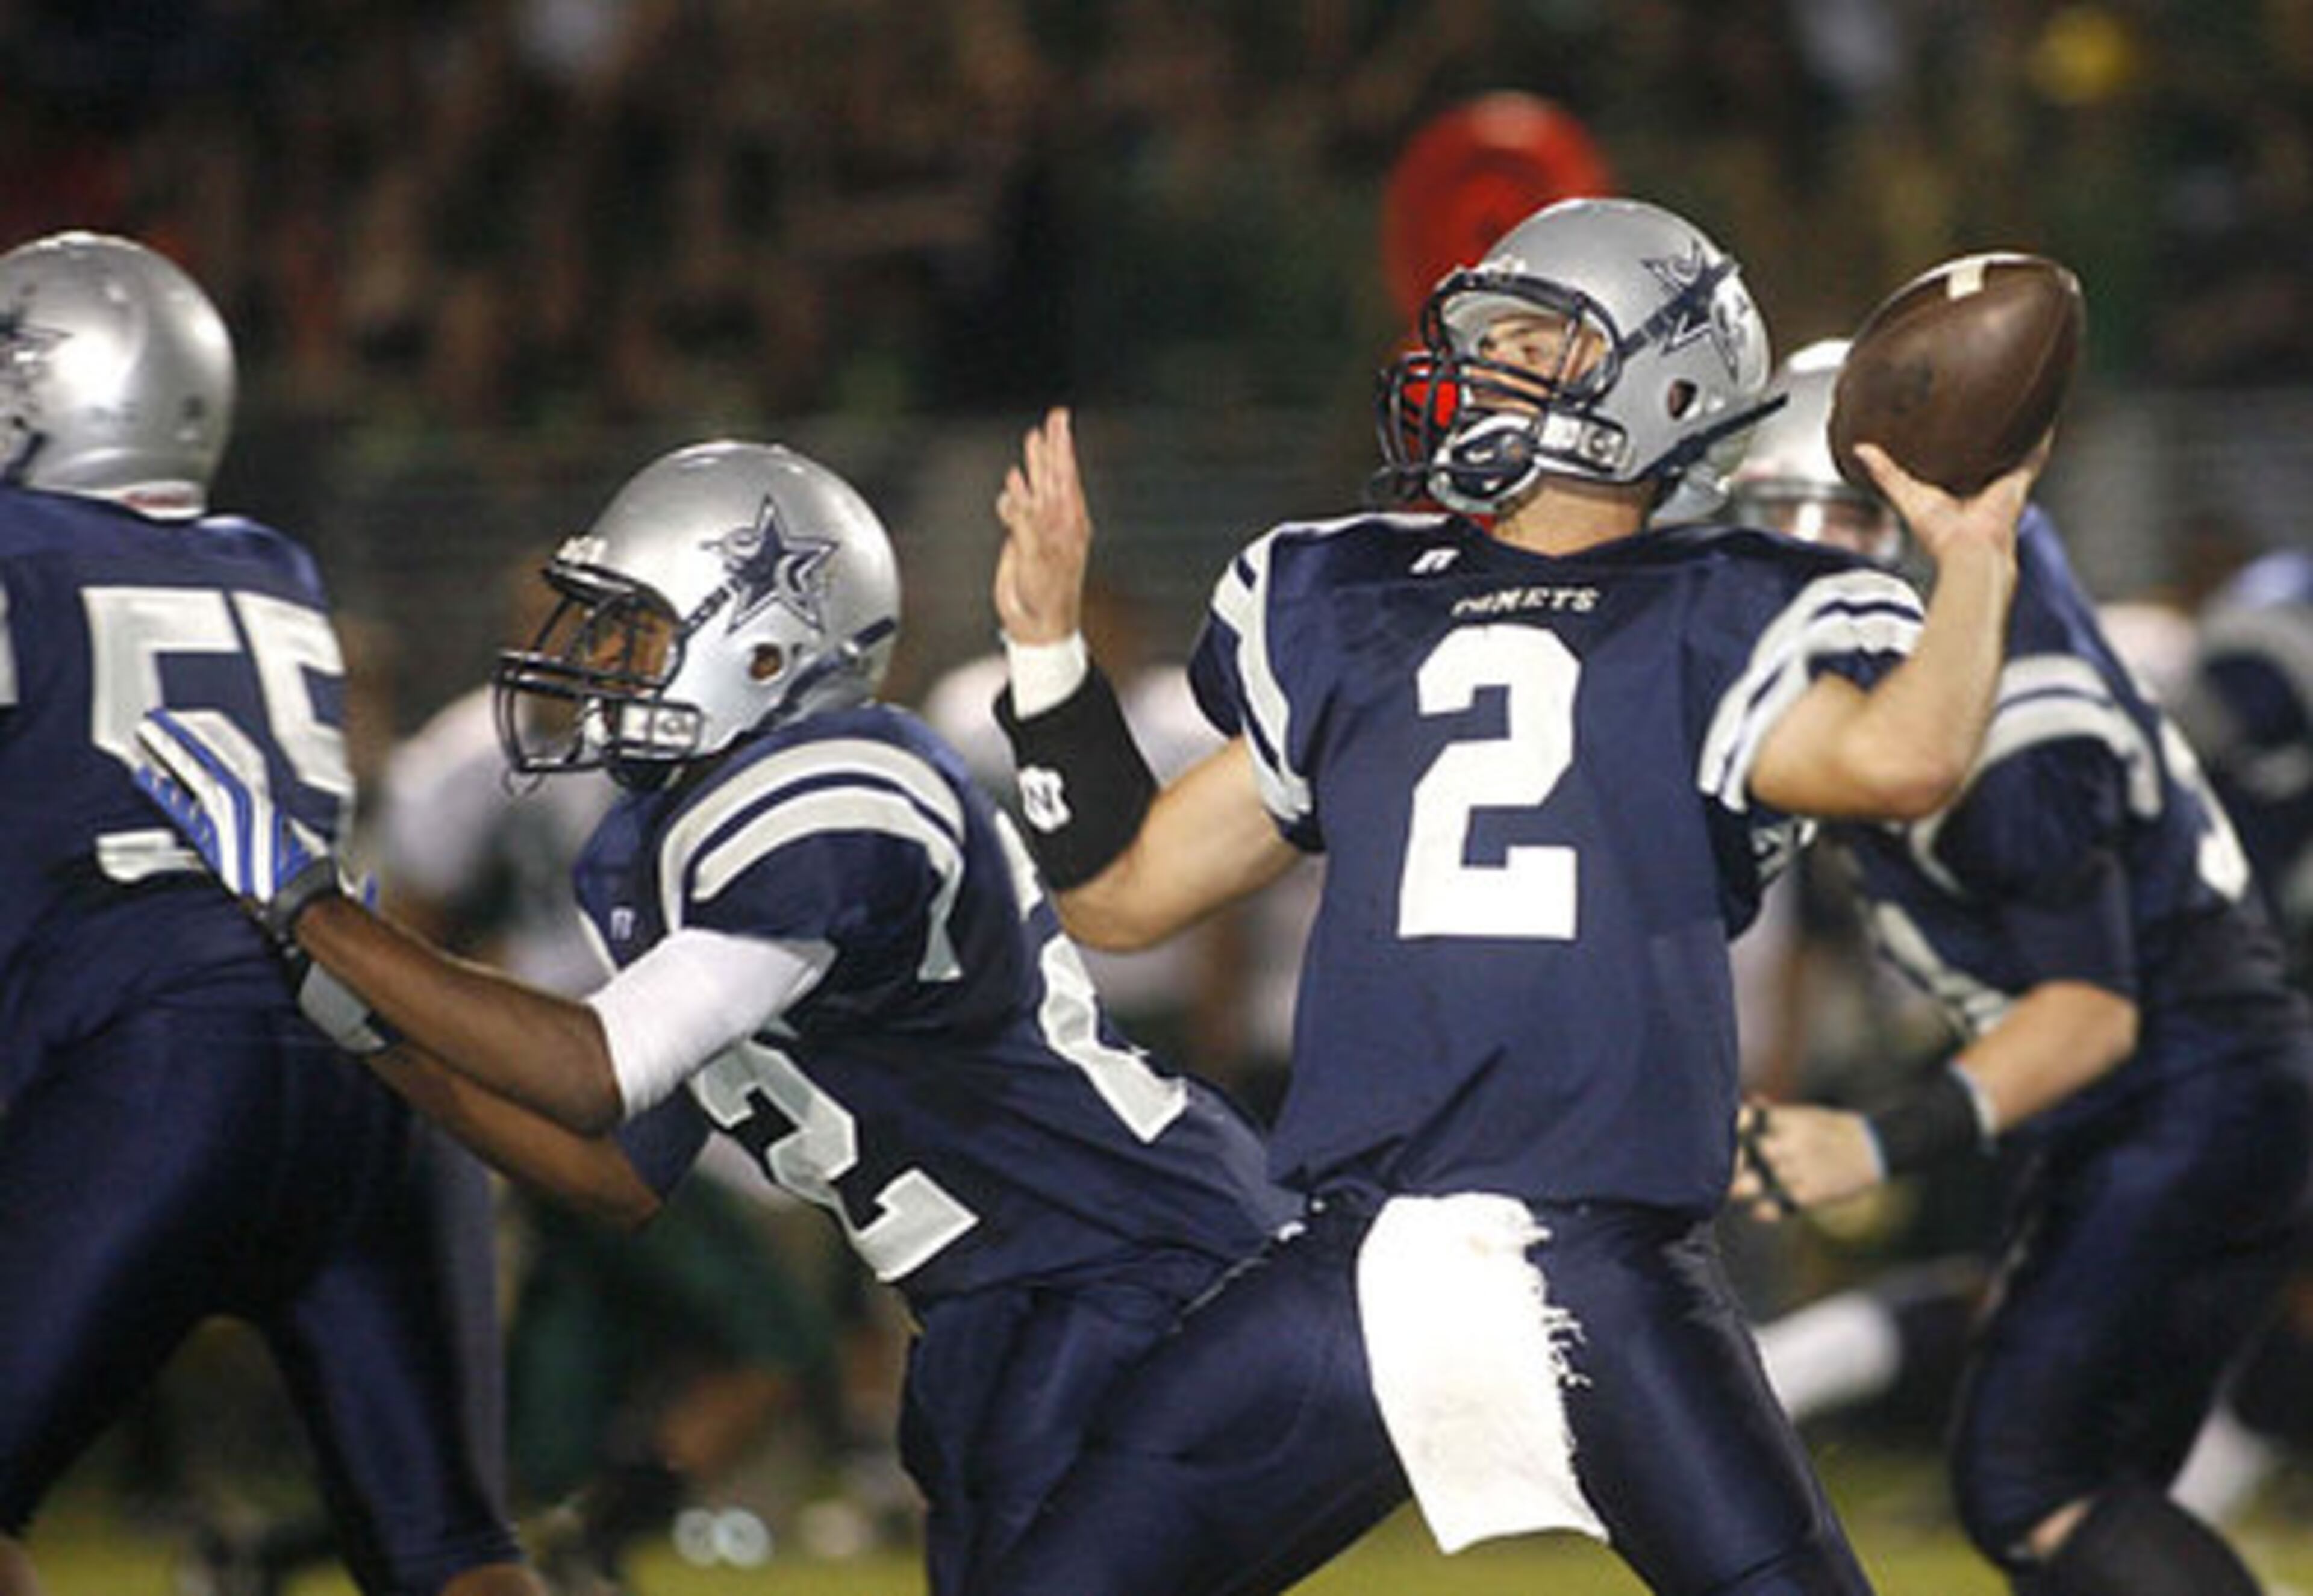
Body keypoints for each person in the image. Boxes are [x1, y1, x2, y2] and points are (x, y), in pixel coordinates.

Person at [981, 195, 2038, 1595]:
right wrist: (1047, 656)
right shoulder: (1349, 592)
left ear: (1662, 378)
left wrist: (1975, 555)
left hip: (1600, 1258)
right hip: (1358, 1249)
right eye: (1480, 342)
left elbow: (1906, 760)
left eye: (1533, 344)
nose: (1480, 374)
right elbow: (1120, 898)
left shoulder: (1726, 599)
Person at [130, 437, 1293, 1596]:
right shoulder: (668, 846)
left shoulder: (842, 786)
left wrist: (314, 907)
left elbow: (594, 1069)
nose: (593, 658)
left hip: (1142, 1274)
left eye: (636, 629)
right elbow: (612, 1175)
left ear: (766, 641)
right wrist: (367, 1029)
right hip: (1015, 1304)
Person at [0, 232, 543, 1596]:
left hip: (158, 1059)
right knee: (455, 1557)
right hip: (378, 1060)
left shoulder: (16, 549)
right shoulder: (276, 567)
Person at [1729, 340, 2313, 1595]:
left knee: (2025, 1480)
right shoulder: (1984, 598)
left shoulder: (2012, 730)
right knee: (2082, 1505)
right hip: (2194, 1090)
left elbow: (2092, 1012)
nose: (1792, 561)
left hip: (2174, 1092)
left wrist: (1874, 1141)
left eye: (1829, 519)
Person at [375, 667, 839, 1596]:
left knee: (552, 1421)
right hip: (578, 1073)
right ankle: (592, 1535)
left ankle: (287, 1549)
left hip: (611, 1079)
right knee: (775, 1346)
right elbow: (413, 911)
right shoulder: (485, 753)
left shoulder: (672, 751)